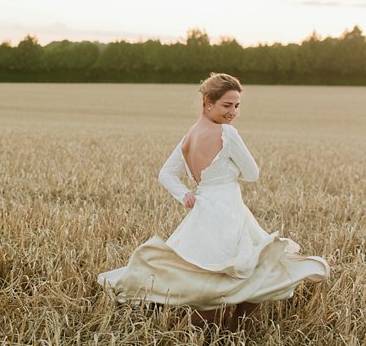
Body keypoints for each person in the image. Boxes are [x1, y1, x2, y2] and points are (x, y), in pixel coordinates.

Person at [98, 73, 329, 330]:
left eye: (237, 105)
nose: (233, 112)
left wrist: (185, 193)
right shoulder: (227, 134)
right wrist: (228, 171)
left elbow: (166, 174)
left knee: (213, 280)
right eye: (227, 105)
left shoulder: (189, 136)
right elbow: (253, 174)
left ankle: (212, 332)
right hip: (228, 213)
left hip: (203, 210)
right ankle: (233, 332)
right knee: (254, 274)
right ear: (208, 101)